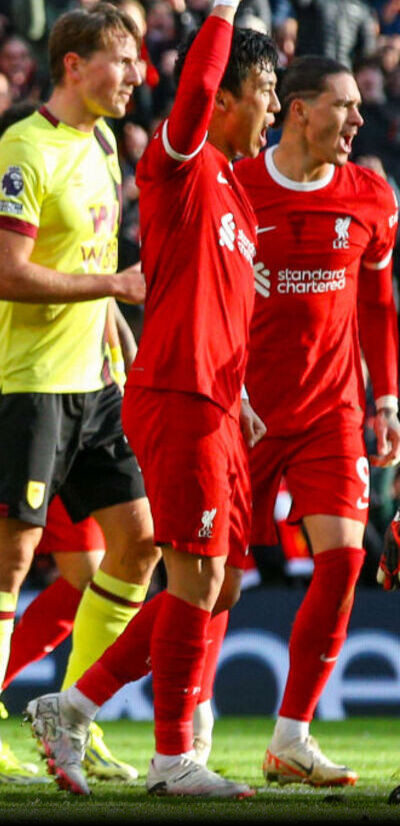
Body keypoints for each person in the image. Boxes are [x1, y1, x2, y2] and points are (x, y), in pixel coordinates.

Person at [26, 9, 280, 799]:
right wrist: (221, 13)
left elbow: (221, 309)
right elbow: (197, 82)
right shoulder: (183, 164)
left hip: (215, 402)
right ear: (227, 100)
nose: (270, 108)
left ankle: (71, 706)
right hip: (174, 393)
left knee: (220, 584)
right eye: (265, 91)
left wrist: (238, 397)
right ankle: (173, 758)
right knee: (196, 576)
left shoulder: (237, 196)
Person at [0, 4, 153, 785]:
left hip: (95, 386)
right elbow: (5, 273)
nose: (136, 75)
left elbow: (93, 252)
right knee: (8, 559)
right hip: (28, 387)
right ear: (73, 64)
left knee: (138, 543)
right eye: (122, 60)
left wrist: (116, 330)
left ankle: (75, 716)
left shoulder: (104, 144)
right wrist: (114, 284)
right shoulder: (22, 149)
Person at [232, 55, 399, 786]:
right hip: (245, 412)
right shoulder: (236, 189)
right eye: (346, 104)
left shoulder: (371, 195)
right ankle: (144, 720)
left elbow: (377, 304)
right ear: (298, 109)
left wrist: (387, 397)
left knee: (345, 559)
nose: (360, 119)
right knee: (211, 580)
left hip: (333, 409)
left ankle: (291, 737)